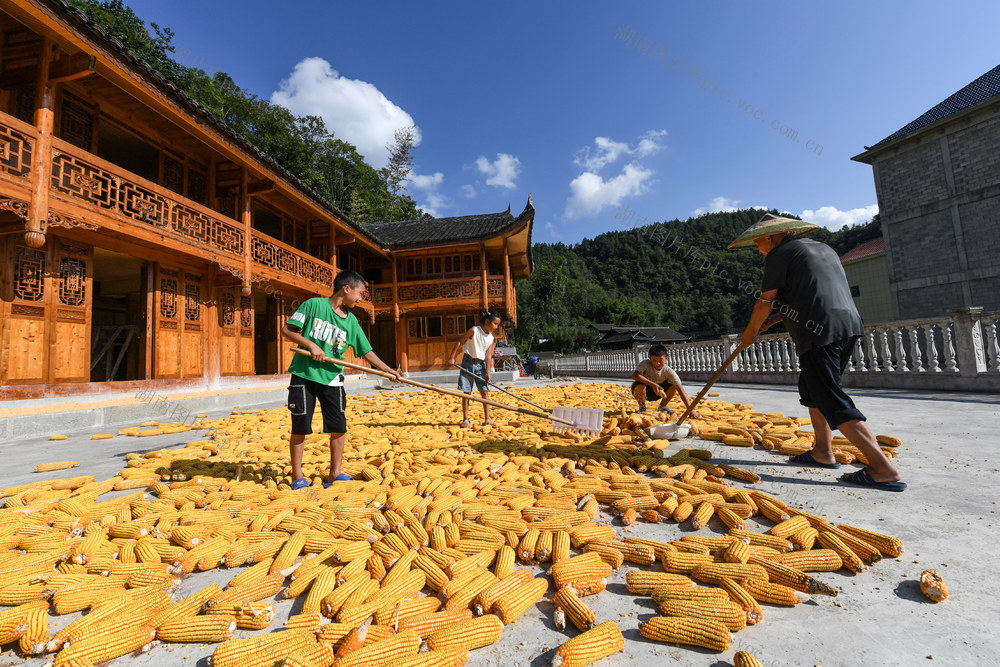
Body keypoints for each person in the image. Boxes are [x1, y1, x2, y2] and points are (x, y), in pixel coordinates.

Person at [731, 213, 905, 491]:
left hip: (819, 332)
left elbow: (765, 300)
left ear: (771, 236)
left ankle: (882, 468)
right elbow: (812, 293)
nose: (757, 248)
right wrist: (774, 319)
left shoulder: (778, 254)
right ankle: (822, 452)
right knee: (813, 391)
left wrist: (750, 332)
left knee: (830, 396)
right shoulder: (823, 248)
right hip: (848, 324)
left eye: (757, 242)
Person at [280, 269, 400, 489]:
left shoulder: (351, 321)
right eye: (360, 293)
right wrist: (311, 345)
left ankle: (334, 474)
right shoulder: (313, 305)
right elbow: (287, 330)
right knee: (300, 425)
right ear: (346, 289)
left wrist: (387, 369)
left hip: (332, 377)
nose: (360, 299)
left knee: (338, 426)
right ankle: (298, 475)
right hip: (303, 374)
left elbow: (366, 351)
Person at [450, 309, 502, 428]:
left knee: (484, 391)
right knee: (467, 391)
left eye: (497, 325)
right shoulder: (474, 330)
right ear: (488, 321)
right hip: (468, 362)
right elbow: (459, 342)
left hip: (481, 364)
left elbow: (488, 355)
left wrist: (488, 372)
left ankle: (487, 418)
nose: (496, 327)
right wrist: (452, 357)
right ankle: (466, 419)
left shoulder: (491, 338)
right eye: (495, 324)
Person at [631, 344, 699, 418]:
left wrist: (690, 410)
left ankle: (662, 407)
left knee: (674, 386)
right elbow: (635, 375)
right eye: (655, 360)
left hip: (657, 393)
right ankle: (642, 407)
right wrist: (653, 384)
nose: (658, 363)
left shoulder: (669, 372)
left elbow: (681, 391)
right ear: (650, 358)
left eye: (661, 360)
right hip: (642, 391)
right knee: (640, 385)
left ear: (666, 358)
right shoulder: (646, 363)